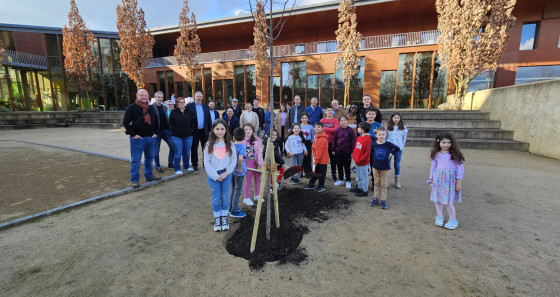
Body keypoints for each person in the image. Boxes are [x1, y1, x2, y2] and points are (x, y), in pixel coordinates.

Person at [122, 89, 162, 188]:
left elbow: (157, 121)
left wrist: (155, 133)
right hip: (138, 139)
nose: (144, 97)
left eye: (145, 95)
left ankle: (149, 176)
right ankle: (135, 180)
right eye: (142, 95)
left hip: (150, 138)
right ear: (137, 95)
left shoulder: (151, 108)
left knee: (149, 159)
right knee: (136, 160)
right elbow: (126, 123)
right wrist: (133, 135)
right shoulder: (131, 108)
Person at [204, 119, 237, 232]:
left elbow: (233, 160)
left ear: (226, 130)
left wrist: (226, 172)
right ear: (213, 130)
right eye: (217, 129)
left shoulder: (230, 144)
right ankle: (217, 219)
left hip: (226, 174)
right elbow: (207, 162)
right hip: (213, 176)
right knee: (216, 198)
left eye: (222, 129)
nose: (219, 131)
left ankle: (224, 218)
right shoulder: (209, 144)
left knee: (224, 196)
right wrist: (215, 175)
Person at [428, 132, 465, 230]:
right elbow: (433, 167)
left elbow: (460, 168)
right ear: (438, 142)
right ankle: (439, 216)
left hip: (450, 181)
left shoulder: (455, 154)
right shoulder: (436, 154)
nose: (446, 145)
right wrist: (431, 180)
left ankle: (453, 220)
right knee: (437, 199)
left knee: (448, 201)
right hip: (438, 179)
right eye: (443, 142)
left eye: (449, 142)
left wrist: (458, 182)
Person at [370, 127, 400, 209]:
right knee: (376, 183)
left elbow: (397, 148)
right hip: (375, 167)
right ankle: (375, 198)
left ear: (386, 135)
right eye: (379, 134)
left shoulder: (388, 144)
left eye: (383, 134)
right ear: (376, 135)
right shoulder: (373, 144)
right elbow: (372, 153)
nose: (381, 136)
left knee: (383, 184)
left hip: (385, 168)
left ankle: (384, 200)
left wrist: (391, 153)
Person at [168, 97, 195, 174]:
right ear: (177, 103)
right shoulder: (173, 112)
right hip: (177, 137)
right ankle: (177, 168)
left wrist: (191, 130)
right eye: (180, 102)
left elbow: (193, 121)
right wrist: (174, 131)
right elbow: (170, 123)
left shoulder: (188, 111)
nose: (182, 104)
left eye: (183, 102)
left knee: (186, 152)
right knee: (178, 152)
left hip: (188, 136)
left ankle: (186, 166)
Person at [187, 91, 212, 171]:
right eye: (197, 96)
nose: (199, 98)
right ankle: (195, 164)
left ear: (202, 97)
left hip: (204, 131)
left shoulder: (205, 106)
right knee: (194, 148)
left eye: (200, 96)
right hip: (194, 131)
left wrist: (210, 130)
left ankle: (205, 163)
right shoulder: (189, 106)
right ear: (195, 97)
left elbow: (208, 119)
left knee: (205, 148)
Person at [151, 91, 174, 173]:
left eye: (161, 97)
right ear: (155, 98)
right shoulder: (151, 108)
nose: (160, 99)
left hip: (166, 131)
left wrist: (169, 129)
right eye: (159, 97)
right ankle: (157, 166)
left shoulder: (164, 107)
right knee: (156, 150)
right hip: (156, 133)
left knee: (173, 146)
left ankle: (170, 162)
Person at [303, 122, 328, 192]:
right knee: (315, 172)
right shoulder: (316, 136)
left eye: (319, 127)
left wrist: (315, 161)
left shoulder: (322, 139)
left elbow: (319, 151)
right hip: (316, 158)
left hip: (322, 160)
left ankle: (321, 186)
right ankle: (311, 184)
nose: (316, 128)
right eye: (315, 127)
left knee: (321, 174)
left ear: (323, 128)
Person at [242, 123, 264, 205]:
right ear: (243, 131)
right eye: (246, 129)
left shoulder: (256, 140)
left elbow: (259, 153)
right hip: (248, 164)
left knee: (257, 179)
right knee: (248, 180)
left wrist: (260, 164)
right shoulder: (242, 141)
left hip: (256, 163)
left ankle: (257, 195)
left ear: (253, 130)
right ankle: (246, 197)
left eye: (250, 129)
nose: (248, 131)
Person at [332, 115, 356, 189]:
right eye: (342, 120)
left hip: (347, 152)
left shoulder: (350, 130)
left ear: (347, 121)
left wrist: (352, 151)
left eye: (345, 120)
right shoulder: (338, 130)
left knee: (347, 167)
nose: (343, 122)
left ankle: (348, 180)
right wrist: (333, 149)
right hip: (338, 151)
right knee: (339, 166)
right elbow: (334, 140)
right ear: (339, 122)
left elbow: (353, 141)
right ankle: (341, 179)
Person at [229, 128, 248, 217]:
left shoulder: (231, 146)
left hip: (231, 171)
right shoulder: (242, 147)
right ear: (244, 138)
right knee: (237, 191)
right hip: (239, 172)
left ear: (233, 138)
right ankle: (234, 210)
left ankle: (231, 207)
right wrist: (240, 168)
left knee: (233, 189)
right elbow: (240, 158)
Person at [386, 112, 408, 189]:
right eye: (394, 117)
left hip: (398, 149)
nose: (396, 119)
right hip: (389, 148)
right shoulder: (388, 127)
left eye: (398, 118)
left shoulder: (404, 128)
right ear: (392, 118)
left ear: (400, 118)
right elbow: (386, 137)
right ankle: (386, 181)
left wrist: (402, 146)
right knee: (387, 164)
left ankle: (397, 181)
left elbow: (404, 139)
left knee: (397, 164)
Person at [351, 122, 372, 196]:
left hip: (363, 162)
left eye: (359, 128)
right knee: (359, 176)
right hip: (357, 161)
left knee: (364, 177)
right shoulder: (360, 137)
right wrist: (354, 156)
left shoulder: (367, 139)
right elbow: (356, 148)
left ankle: (364, 190)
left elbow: (367, 152)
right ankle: (360, 188)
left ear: (362, 130)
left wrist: (360, 159)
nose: (357, 129)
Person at [320, 106, 340, 182]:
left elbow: (336, 130)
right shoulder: (322, 120)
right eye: (328, 110)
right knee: (323, 159)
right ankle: (322, 174)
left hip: (333, 143)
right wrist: (330, 130)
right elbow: (320, 130)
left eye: (331, 110)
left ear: (333, 112)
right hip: (323, 143)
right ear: (325, 112)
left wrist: (325, 128)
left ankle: (334, 174)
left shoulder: (335, 120)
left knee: (333, 160)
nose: (329, 112)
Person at [299, 113, 315, 178]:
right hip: (300, 143)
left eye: (306, 118)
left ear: (308, 119)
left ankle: (308, 173)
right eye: (303, 118)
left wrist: (312, 143)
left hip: (308, 143)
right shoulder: (299, 126)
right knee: (300, 159)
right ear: (300, 119)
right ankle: (300, 173)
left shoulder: (310, 127)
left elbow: (313, 136)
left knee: (307, 158)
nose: (304, 119)